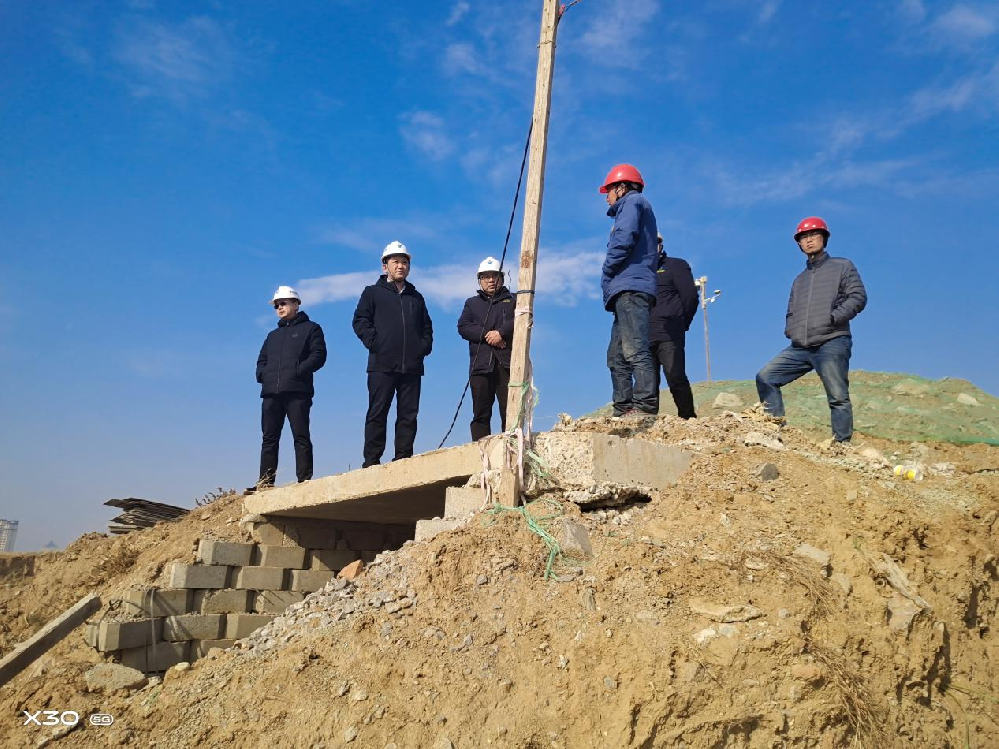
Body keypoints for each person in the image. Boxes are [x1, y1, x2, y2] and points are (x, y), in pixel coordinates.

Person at [756, 217, 867, 444]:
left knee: (837, 396)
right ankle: (776, 433)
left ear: (824, 238)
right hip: (800, 346)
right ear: (799, 243)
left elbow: (858, 297)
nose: (808, 240)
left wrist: (833, 318)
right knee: (766, 377)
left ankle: (841, 445)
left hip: (832, 340)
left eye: (813, 235)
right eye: (803, 237)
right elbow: (791, 311)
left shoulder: (842, 266)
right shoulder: (800, 280)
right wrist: (791, 330)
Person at [352, 241, 434, 467]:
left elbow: (426, 327)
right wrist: (375, 343)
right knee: (378, 412)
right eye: (395, 261)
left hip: (412, 366)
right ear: (384, 265)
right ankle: (371, 461)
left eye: (404, 262)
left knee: (408, 414)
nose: (400, 266)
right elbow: (360, 321)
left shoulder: (416, 297)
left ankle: (403, 458)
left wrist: (422, 348)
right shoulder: (372, 293)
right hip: (381, 364)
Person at [599, 163, 660, 417]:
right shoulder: (634, 205)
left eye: (609, 191)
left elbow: (623, 238)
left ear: (621, 187)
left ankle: (645, 407)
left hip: (631, 287)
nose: (607, 197)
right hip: (625, 289)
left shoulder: (633, 203)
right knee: (616, 355)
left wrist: (607, 268)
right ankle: (623, 409)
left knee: (635, 349)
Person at [253, 285, 327, 489]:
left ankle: (304, 481)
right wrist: (263, 376)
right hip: (271, 393)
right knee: (269, 439)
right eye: (276, 305)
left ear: (296, 304)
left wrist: (298, 371)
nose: (279, 307)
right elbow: (261, 360)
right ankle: (265, 483)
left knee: (300, 435)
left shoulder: (311, 328)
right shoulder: (272, 336)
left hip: (297, 391)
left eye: (283, 303)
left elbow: (319, 356)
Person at [457, 257, 515, 440]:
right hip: (480, 366)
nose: (491, 280)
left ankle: (511, 449)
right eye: (485, 277)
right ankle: (480, 450)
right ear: (479, 280)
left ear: (502, 278)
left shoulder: (514, 300)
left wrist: (501, 332)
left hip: (508, 365)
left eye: (494, 276)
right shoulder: (472, 303)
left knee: (510, 411)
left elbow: (523, 318)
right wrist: (488, 335)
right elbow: (463, 327)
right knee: (481, 412)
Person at [649, 232, 699, 418]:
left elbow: (690, 297)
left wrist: (681, 322)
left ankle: (688, 418)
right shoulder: (640, 272)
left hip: (670, 332)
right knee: (647, 383)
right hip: (644, 335)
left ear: (661, 245)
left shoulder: (676, 265)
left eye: (656, 242)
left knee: (675, 376)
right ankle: (648, 421)